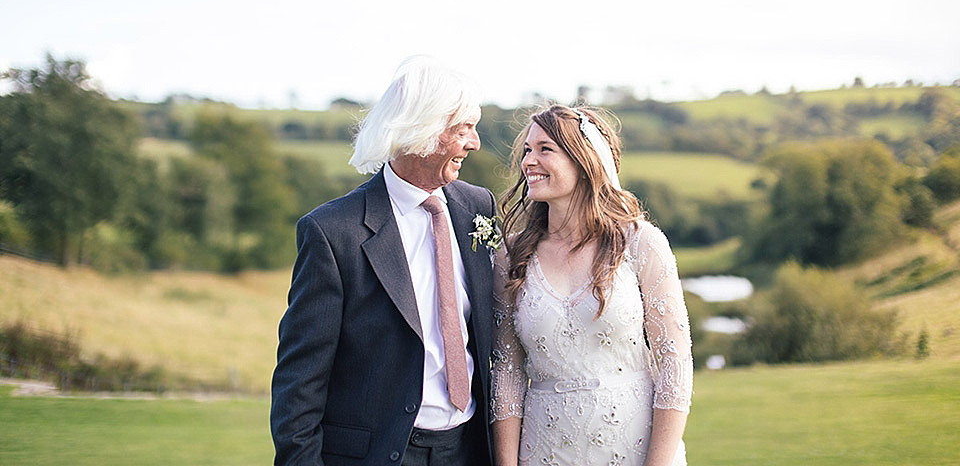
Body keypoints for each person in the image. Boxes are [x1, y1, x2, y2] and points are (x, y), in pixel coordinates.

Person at [271, 56, 498, 466]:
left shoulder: (477, 207)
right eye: (462, 128)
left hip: (469, 449)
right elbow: (299, 381)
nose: (474, 143)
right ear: (422, 128)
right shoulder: (333, 231)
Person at [490, 104, 693, 466]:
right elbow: (507, 372)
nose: (528, 162)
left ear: (583, 161)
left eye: (545, 149)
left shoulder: (640, 243)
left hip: (633, 446)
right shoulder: (512, 254)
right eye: (526, 150)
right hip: (544, 450)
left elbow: (675, 367)